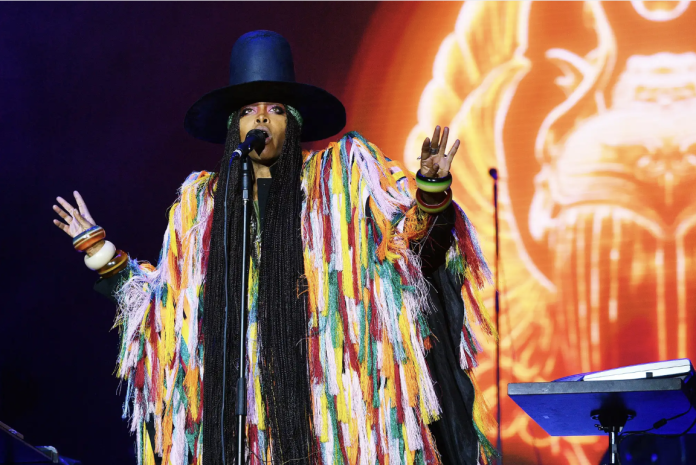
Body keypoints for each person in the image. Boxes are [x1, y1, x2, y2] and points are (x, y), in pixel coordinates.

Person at [52, 30, 496, 465]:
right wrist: (104, 256)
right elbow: (167, 315)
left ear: (293, 123)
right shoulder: (201, 206)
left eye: (276, 109)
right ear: (235, 128)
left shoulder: (340, 179)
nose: (261, 120)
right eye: (249, 110)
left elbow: (409, 258)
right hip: (237, 430)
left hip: (330, 423)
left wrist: (431, 193)